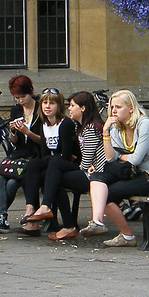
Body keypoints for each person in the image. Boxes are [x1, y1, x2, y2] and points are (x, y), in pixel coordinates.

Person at [79, 89, 149, 247]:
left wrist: (122, 156)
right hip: (132, 172)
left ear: (131, 108)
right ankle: (97, 222)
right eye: (112, 107)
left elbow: (135, 159)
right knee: (97, 178)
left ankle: (127, 236)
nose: (113, 111)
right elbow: (110, 157)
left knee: (107, 194)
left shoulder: (144, 124)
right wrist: (106, 132)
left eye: (118, 107)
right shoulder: (117, 127)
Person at [26, 91, 106, 241]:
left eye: (73, 105)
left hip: (96, 175)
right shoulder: (80, 127)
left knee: (55, 169)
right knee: (47, 171)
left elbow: (86, 161)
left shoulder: (90, 128)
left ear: (82, 108)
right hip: (86, 169)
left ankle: (53, 212)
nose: (70, 109)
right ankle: (63, 222)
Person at [0, 74, 42, 234]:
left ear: (30, 91)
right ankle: (1, 217)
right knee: (0, 178)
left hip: (35, 154)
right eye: (17, 98)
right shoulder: (16, 110)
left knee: (13, 183)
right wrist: (12, 132)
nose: (20, 101)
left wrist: (26, 131)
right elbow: (14, 141)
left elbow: (44, 140)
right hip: (19, 154)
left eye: (23, 97)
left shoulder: (40, 109)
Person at [14, 88, 79, 237]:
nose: (47, 106)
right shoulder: (44, 124)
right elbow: (44, 154)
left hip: (70, 164)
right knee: (31, 168)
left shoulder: (65, 124)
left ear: (59, 106)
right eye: (44, 102)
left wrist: (51, 159)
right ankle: (31, 210)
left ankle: (45, 208)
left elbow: (66, 155)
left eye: (52, 103)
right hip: (54, 164)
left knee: (50, 170)